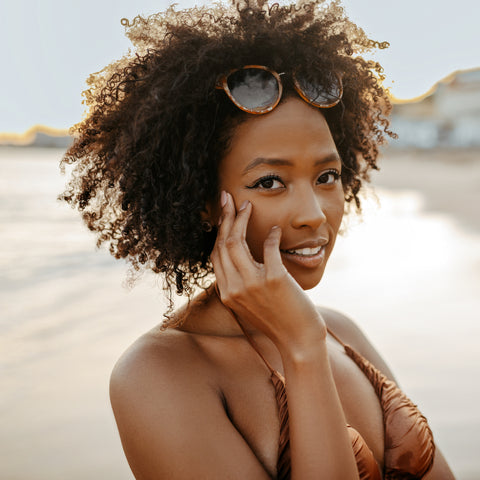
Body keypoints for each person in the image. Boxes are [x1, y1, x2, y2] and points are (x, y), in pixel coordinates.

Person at [59, 0, 456, 478]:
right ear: (202, 200)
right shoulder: (159, 375)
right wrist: (302, 348)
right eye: (270, 182)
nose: (314, 215)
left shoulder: (342, 333)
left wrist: (311, 337)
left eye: (327, 175)